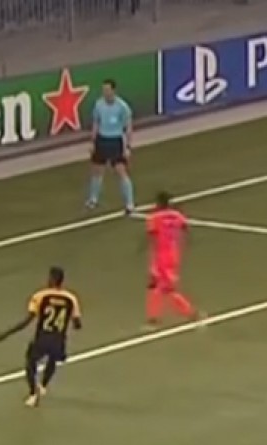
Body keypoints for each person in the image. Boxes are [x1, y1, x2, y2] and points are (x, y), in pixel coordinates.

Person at [0, 267, 82, 407]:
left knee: (31, 362)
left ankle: (33, 393)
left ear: (51, 279)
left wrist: (6, 333)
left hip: (43, 337)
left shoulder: (40, 296)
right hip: (58, 339)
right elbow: (77, 324)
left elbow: (27, 321)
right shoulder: (71, 298)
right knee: (53, 359)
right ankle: (43, 385)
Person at [144, 191, 203, 329]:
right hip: (173, 254)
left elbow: (151, 237)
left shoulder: (154, 218)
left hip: (161, 256)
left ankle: (192, 313)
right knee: (154, 285)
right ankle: (153, 317)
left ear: (158, 203)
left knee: (166, 289)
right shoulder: (176, 215)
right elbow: (185, 228)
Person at [86, 79, 135, 215]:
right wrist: (92, 142)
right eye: (104, 90)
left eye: (108, 90)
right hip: (102, 140)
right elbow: (96, 123)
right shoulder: (99, 104)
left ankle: (129, 203)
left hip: (115, 141)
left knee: (121, 172)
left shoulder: (122, 107)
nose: (105, 92)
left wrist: (128, 147)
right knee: (97, 171)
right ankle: (93, 199)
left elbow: (128, 127)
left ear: (113, 90)